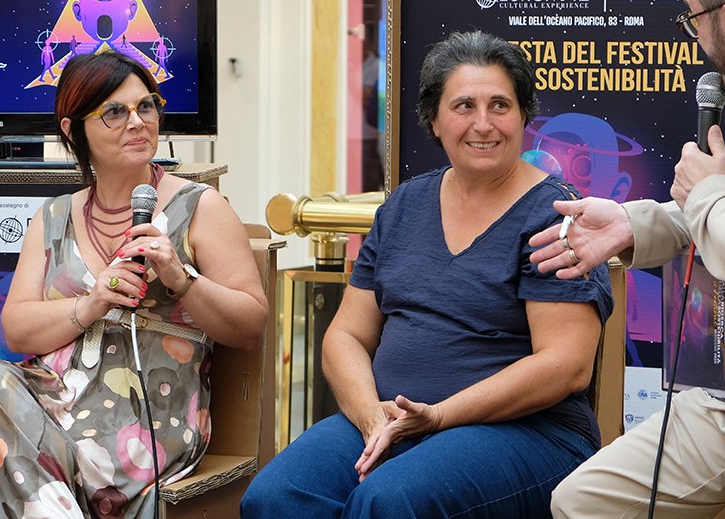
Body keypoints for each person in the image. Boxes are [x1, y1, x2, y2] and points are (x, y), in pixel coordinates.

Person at [241, 30, 613, 518]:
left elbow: (566, 365)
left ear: (525, 116)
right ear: (434, 120)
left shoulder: (555, 216)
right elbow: (345, 336)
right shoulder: (404, 205)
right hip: (395, 422)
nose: (483, 123)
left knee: (388, 501)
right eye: (464, 106)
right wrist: (372, 417)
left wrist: (437, 416)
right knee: (275, 498)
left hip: (529, 433)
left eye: (500, 105)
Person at [526, 0, 725, 516]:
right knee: (584, 503)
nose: (696, 40)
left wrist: (708, 189)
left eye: (695, 22)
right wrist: (633, 225)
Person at [0, 51, 268, 516]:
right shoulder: (53, 216)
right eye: (115, 111)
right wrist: (91, 302)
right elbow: (16, 330)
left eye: (146, 106)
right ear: (74, 130)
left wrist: (181, 278)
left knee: (9, 468)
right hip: (50, 412)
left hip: (146, 422)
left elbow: (251, 324)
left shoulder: (201, 207)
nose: (137, 122)